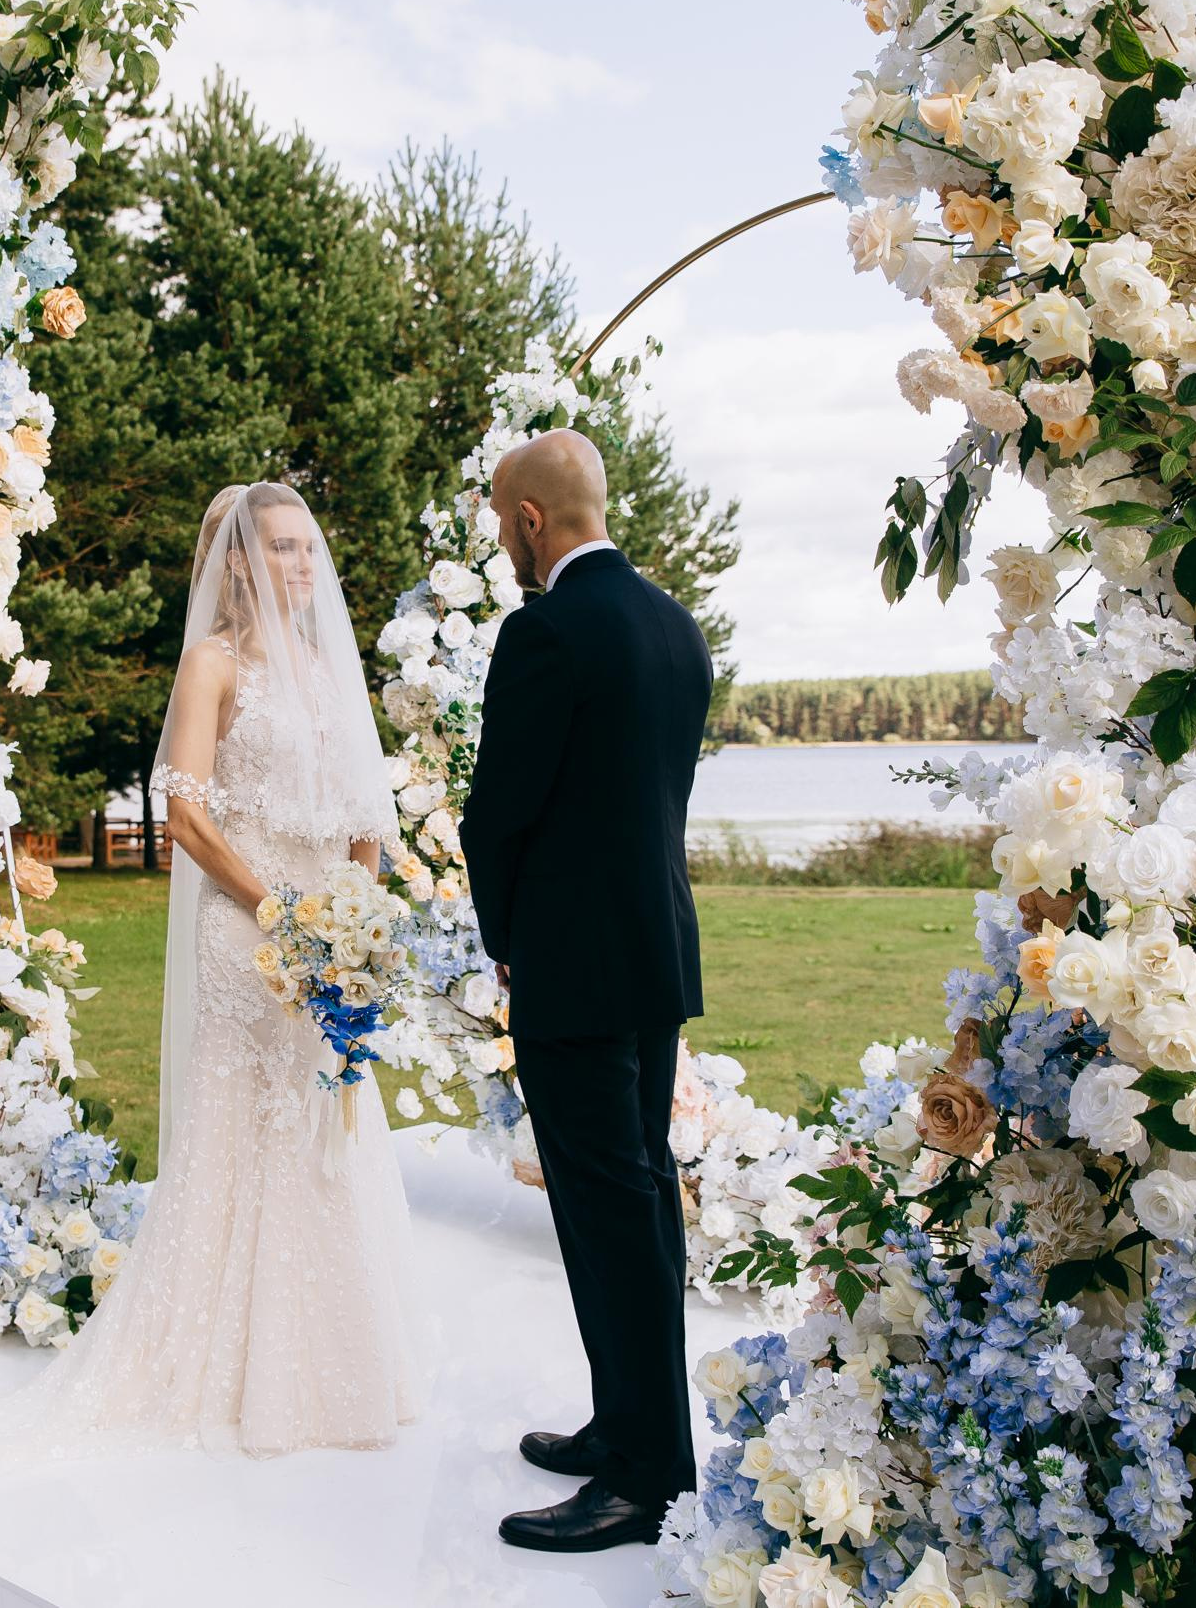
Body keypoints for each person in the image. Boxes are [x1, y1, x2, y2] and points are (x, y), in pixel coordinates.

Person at [0, 480, 424, 1454]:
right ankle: (223, 1365)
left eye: (307, 549)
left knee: (327, 1117)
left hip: (326, 927)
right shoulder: (212, 662)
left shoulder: (324, 666)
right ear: (237, 559)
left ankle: (336, 1365)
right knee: (248, 1122)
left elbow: (365, 807)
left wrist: (351, 917)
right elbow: (184, 812)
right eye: (280, 549)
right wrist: (277, 911)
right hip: (246, 927)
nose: (300, 565)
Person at [461, 428, 713, 1551]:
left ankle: (643, 1475)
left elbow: (499, 811)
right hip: (653, 952)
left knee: (608, 1210)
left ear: (528, 519)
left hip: (572, 965)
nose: (504, 547)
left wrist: (509, 940)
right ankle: (625, 1423)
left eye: (501, 525)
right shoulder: (673, 624)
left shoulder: (545, 629)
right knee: (636, 1195)